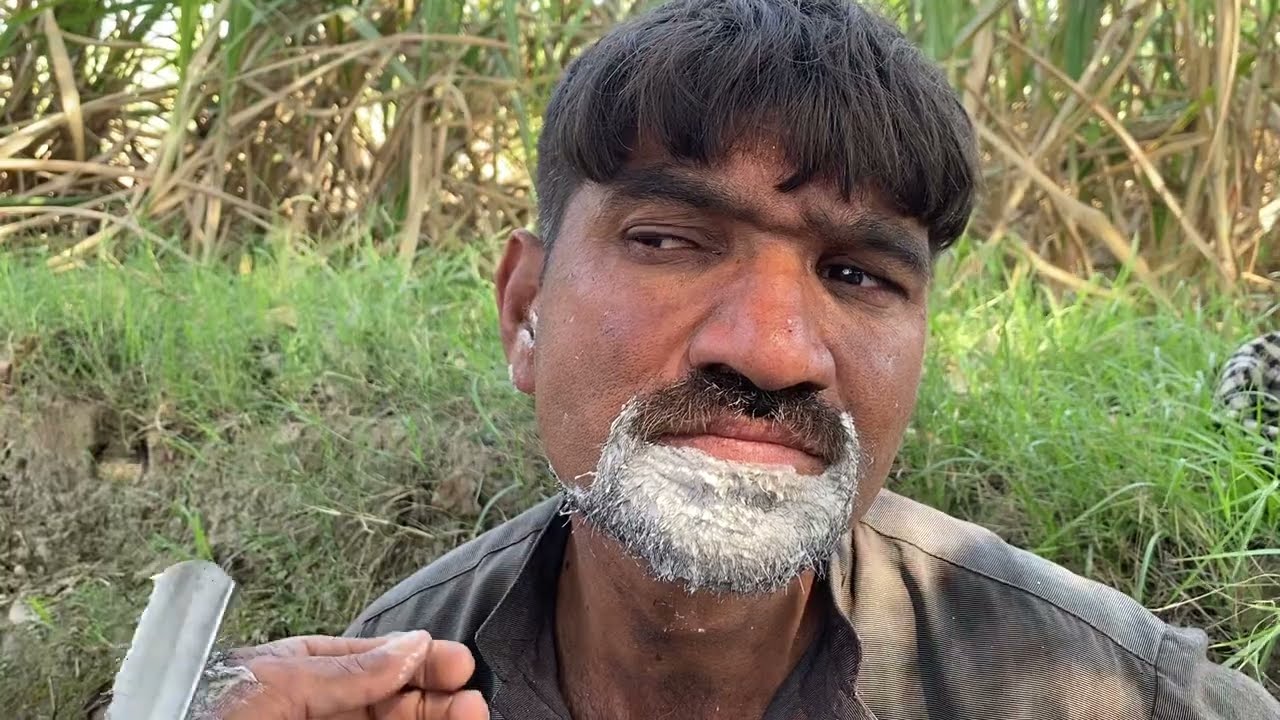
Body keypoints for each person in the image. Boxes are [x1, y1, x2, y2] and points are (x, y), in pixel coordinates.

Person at [193, 1, 1280, 718]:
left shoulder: (1099, 687)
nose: (769, 353)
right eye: (669, 242)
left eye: (857, 275)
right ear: (524, 309)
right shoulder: (404, 669)